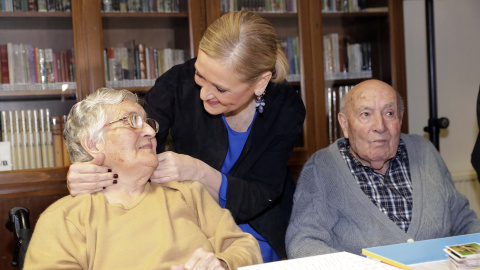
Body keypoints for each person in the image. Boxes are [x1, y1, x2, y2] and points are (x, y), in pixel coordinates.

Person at [65, 11, 305, 262]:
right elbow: (132, 145)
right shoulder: (177, 83)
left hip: (260, 228)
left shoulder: (286, 109)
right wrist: (91, 172)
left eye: (221, 88)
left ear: (260, 83)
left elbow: (262, 195)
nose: (204, 95)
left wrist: (197, 172)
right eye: (201, 76)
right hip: (191, 225)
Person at [24, 88, 262, 269]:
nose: (150, 132)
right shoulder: (65, 220)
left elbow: (244, 246)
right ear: (93, 144)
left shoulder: (188, 193)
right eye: (132, 122)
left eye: (148, 123)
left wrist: (221, 264)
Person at [285, 79, 480, 258]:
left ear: (400, 119)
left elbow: (464, 222)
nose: (380, 126)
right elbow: (303, 242)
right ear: (344, 124)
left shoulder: (425, 152)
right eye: (365, 114)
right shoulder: (322, 167)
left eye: (389, 113)